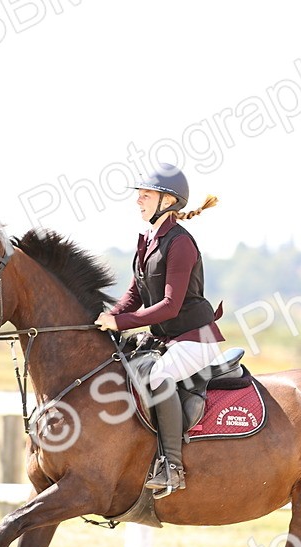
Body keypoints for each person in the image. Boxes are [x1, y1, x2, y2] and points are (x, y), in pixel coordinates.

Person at [95, 165, 222, 497]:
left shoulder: (180, 244)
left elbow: (170, 306)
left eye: (146, 195)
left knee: (158, 378)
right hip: (169, 339)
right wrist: (106, 317)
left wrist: (122, 323)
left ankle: (172, 467)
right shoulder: (151, 239)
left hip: (197, 338)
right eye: (140, 195)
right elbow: (134, 294)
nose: (138, 200)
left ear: (168, 200)